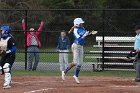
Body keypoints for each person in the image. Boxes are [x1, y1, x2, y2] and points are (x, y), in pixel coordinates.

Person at [62, 18, 93, 84]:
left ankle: (76, 76)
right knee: (75, 62)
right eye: (81, 23)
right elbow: (79, 40)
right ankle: (64, 72)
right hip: (76, 46)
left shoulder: (83, 28)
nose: (82, 23)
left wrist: (90, 34)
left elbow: (86, 37)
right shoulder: (75, 30)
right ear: (77, 24)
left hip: (81, 47)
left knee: (80, 63)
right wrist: (84, 35)